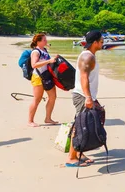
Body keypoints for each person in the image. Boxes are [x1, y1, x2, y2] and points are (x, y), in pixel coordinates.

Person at [66, 30, 105, 167]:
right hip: (83, 96)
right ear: (94, 43)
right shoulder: (88, 57)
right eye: (101, 41)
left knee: (85, 125)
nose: (103, 43)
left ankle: (79, 152)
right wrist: (88, 97)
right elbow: (84, 77)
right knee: (80, 126)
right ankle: (71, 158)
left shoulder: (89, 55)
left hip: (86, 95)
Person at [27, 33, 59, 127]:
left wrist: (54, 59)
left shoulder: (44, 50)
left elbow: (47, 63)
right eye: (44, 40)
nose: (46, 41)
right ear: (38, 41)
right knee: (37, 99)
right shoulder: (36, 52)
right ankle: (30, 121)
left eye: (46, 39)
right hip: (38, 77)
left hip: (47, 76)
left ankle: (48, 118)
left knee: (53, 96)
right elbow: (34, 65)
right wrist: (49, 61)